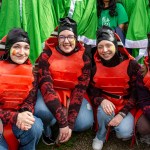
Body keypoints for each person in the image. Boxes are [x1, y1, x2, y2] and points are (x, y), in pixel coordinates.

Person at [34, 17, 94, 145]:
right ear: (57, 38)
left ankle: (65, 122)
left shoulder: (85, 59)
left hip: (71, 94)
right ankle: (48, 127)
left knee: (84, 122)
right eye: (62, 37)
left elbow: (79, 92)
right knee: (41, 111)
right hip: (51, 92)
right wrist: (63, 123)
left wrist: (70, 124)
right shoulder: (47, 54)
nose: (66, 41)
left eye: (70, 37)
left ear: (76, 38)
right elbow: (46, 88)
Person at [87, 26, 140, 150]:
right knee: (104, 112)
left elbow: (136, 93)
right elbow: (92, 90)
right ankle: (100, 135)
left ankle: (118, 126)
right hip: (106, 104)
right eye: (100, 47)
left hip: (126, 104)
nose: (104, 50)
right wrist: (101, 100)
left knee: (124, 133)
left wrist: (122, 114)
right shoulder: (94, 67)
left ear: (115, 45)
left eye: (108, 45)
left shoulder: (131, 65)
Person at [0, 28, 43, 150]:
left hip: (18, 117)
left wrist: (24, 114)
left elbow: (30, 99)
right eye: (17, 46)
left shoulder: (31, 72)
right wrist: (15, 117)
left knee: (36, 126)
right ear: (8, 48)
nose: (22, 52)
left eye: (26, 47)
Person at [135, 33, 150, 145]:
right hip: (148, 107)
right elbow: (142, 99)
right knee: (143, 127)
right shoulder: (142, 72)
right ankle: (146, 136)